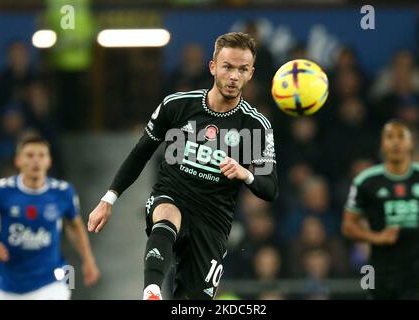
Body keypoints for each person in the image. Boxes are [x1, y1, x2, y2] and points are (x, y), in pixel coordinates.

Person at [87, 32, 278, 300]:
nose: (234, 76)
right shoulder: (177, 106)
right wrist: (109, 198)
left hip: (213, 221)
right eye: (228, 67)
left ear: (251, 73)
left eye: (242, 69)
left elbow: (270, 189)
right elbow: (141, 152)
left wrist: (246, 174)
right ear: (213, 67)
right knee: (166, 212)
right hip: (173, 194)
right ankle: (152, 290)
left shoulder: (255, 125)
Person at [342, 119, 419, 300]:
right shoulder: (366, 182)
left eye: (401, 136)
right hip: (377, 269)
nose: (396, 142)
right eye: (390, 137)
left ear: (411, 142)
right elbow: (348, 226)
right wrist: (377, 237)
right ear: (382, 144)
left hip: (418, 267)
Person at [0, 135, 100, 300]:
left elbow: (74, 226)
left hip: (53, 279)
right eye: (29, 155)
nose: (36, 161)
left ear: (49, 161)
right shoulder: (0, 191)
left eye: (41, 155)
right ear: (18, 161)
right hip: (10, 285)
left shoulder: (63, 192)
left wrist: (88, 260)